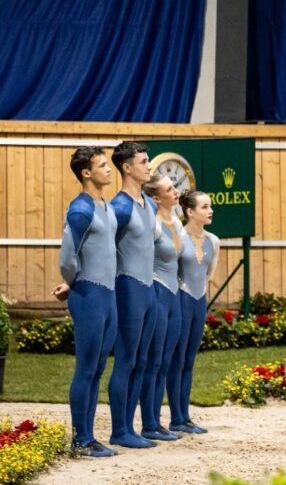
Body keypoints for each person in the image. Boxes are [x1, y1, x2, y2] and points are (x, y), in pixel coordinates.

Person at [55, 147, 119, 458]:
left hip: (107, 295)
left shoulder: (105, 206)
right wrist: (72, 282)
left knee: (97, 369)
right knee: (86, 368)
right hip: (89, 295)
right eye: (102, 165)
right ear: (86, 173)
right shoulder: (80, 210)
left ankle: (89, 436)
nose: (108, 169)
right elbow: (67, 257)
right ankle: (80, 439)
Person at [107, 141, 159, 449]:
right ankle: (119, 430)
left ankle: (130, 427)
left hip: (148, 289)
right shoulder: (120, 207)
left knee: (141, 359)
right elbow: (103, 249)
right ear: (127, 168)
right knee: (126, 360)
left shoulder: (150, 204)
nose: (148, 166)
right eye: (143, 161)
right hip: (128, 289)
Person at [168, 190, 219, 434]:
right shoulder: (178, 237)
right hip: (181, 299)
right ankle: (176, 417)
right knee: (176, 359)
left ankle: (185, 417)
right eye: (204, 207)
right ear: (190, 211)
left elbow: (209, 274)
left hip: (199, 301)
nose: (210, 210)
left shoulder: (213, 241)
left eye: (210, 206)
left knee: (189, 360)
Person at [138, 174, 184, 442]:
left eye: (174, 187)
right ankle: (148, 423)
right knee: (153, 361)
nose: (175, 191)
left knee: (165, 361)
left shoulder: (176, 221)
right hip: (157, 292)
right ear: (156, 198)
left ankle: (157, 421)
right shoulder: (152, 225)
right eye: (169, 189)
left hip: (174, 295)